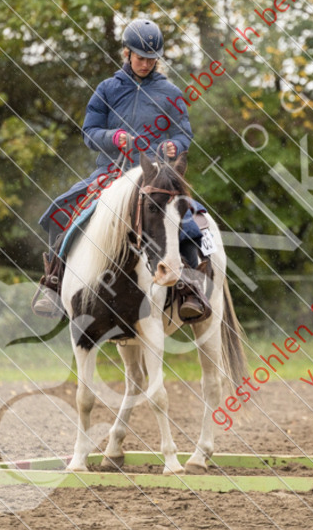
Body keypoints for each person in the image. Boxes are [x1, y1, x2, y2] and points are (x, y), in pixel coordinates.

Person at [33, 18, 212, 322]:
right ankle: (54, 282)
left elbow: (184, 134)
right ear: (127, 53)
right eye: (140, 57)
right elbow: (90, 132)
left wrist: (176, 147)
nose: (145, 63)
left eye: (151, 59)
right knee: (62, 211)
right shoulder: (107, 89)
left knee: (191, 225)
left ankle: (189, 289)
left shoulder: (170, 92)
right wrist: (113, 138)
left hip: (154, 177)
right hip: (111, 174)